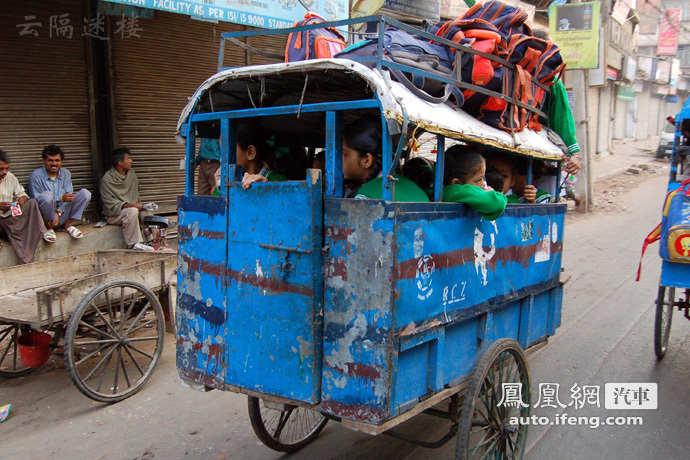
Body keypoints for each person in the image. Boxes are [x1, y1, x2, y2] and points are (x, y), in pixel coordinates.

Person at [343, 117, 429, 202]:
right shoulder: (415, 189)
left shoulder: (365, 195)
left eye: (345, 154)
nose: (338, 159)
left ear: (366, 160)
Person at [532, 29, 581, 176]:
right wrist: (575, 153)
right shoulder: (552, 80)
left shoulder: (507, 70)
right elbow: (562, 118)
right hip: (537, 146)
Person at [27, 145, 91, 241]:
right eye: (50, 160)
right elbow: (36, 199)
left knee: (85, 194)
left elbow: (68, 197)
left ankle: (68, 224)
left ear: (61, 162)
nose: (54, 163)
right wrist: (60, 198)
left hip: (62, 213)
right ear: (44, 161)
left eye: (57, 160)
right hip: (44, 216)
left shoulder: (66, 173)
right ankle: (48, 228)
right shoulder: (35, 175)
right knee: (46, 196)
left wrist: (58, 213)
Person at [0, 149, 53, 264]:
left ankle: (37, 237)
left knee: (32, 203)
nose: (4, 172)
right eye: (1, 169)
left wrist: (21, 200)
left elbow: (23, 194)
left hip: (10, 219)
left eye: (7, 168)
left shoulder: (10, 177)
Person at [99, 147, 153, 251]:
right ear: (120, 163)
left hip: (131, 209)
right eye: (128, 159)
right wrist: (133, 205)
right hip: (114, 214)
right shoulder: (107, 179)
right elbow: (110, 205)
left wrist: (141, 206)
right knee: (132, 211)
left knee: (146, 212)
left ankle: (153, 241)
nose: (131, 161)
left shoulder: (131, 174)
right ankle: (134, 244)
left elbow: (135, 195)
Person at [442, 145, 506, 220]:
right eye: (479, 180)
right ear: (456, 183)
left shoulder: (448, 191)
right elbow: (497, 204)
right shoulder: (455, 191)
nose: (483, 184)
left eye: (483, 178)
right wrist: (492, 194)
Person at [235, 123, 288, 189]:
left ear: (250, 152)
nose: (221, 159)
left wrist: (266, 189)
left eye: (228, 151)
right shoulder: (230, 181)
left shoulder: (280, 182)